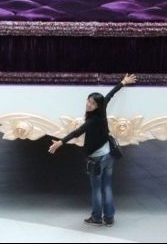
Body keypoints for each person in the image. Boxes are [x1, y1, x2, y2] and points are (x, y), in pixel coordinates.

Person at [48, 73, 137, 226]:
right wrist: (123, 82)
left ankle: (96, 218)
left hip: (96, 158)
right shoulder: (102, 109)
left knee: (96, 189)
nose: (89, 105)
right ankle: (109, 218)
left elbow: (77, 132)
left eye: (92, 103)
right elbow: (109, 95)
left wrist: (60, 143)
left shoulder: (92, 120)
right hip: (109, 155)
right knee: (107, 186)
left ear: (97, 106)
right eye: (89, 101)